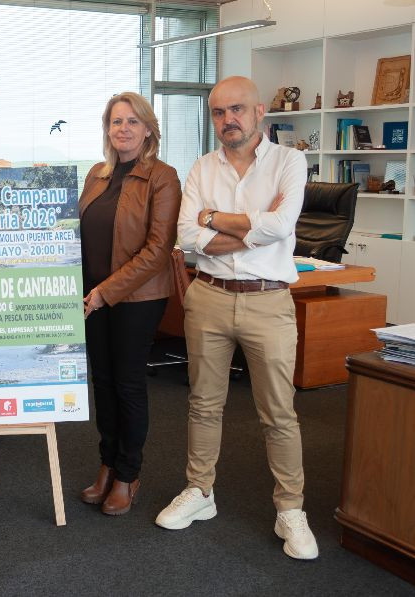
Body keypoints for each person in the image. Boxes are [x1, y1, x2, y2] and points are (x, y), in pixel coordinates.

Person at [155, 76, 318, 560]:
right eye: (219, 112)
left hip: (268, 301)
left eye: (237, 109)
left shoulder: (289, 162)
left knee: (279, 412)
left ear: (259, 111)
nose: (228, 120)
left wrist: (214, 218)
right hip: (208, 296)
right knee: (203, 404)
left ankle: (290, 508)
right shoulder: (202, 167)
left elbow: (281, 226)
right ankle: (200, 491)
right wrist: (251, 227)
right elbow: (187, 237)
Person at [78, 92, 182, 515]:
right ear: (107, 129)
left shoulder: (163, 177)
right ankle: (107, 463)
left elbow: (158, 250)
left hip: (137, 298)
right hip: (93, 298)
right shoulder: (96, 175)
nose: (123, 128)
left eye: (132, 121)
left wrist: (106, 291)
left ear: (148, 130)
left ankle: (127, 473)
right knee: (102, 383)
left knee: (128, 384)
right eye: (116, 121)